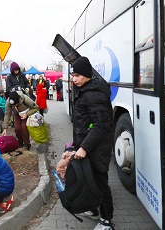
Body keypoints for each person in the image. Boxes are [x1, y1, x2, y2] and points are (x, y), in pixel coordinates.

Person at [69, 56, 115, 230]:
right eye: (73, 75)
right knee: (90, 181)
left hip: (96, 148)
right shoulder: (87, 91)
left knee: (100, 183)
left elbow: (101, 125)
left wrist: (84, 147)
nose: (74, 79)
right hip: (88, 146)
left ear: (87, 75)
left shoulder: (94, 95)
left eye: (78, 75)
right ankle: (94, 210)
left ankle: (107, 221)